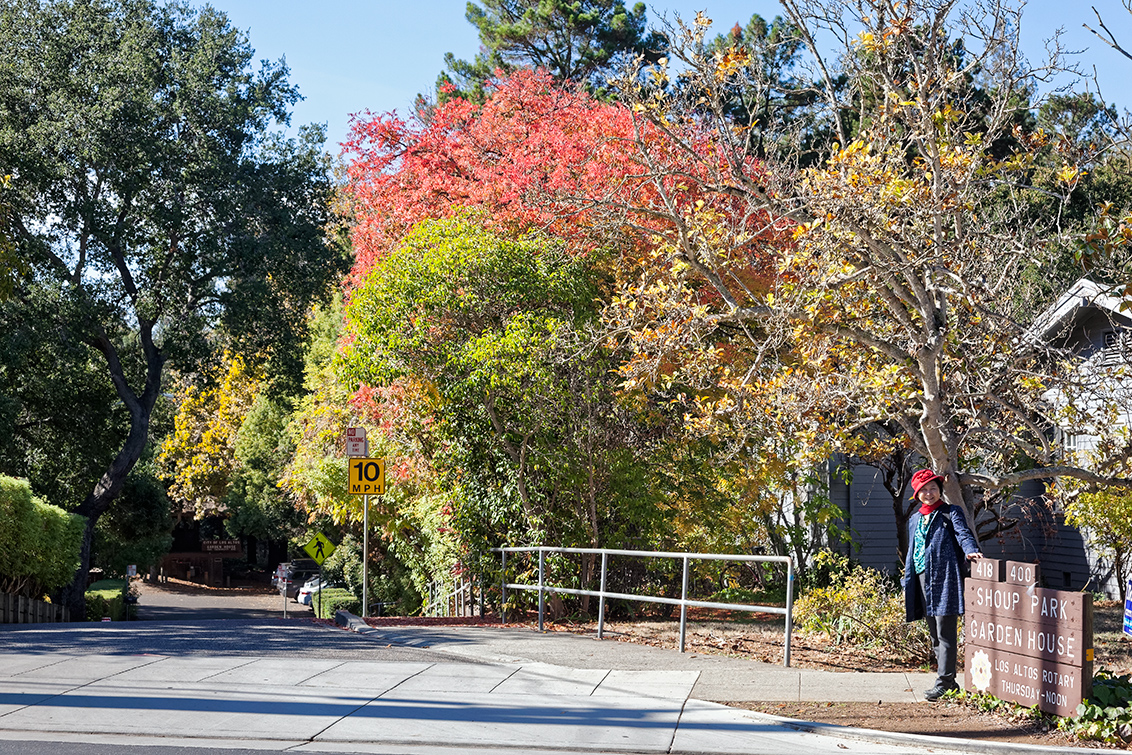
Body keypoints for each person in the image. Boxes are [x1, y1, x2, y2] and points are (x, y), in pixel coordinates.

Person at [903, 468, 982, 701]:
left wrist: (971, 551)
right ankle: (948, 681)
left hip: (945, 577)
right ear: (917, 494)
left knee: (945, 632)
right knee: (935, 634)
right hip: (921, 579)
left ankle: (944, 682)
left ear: (939, 490)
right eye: (924, 490)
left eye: (933, 488)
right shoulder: (915, 519)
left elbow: (963, 534)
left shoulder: (950, 512)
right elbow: (913, 550)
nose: (929, 493)